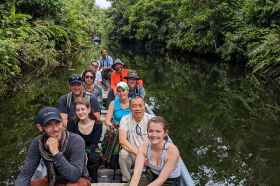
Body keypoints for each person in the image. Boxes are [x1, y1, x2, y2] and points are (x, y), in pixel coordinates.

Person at [14, 107, 90, 186]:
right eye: (49, 125)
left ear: (62, 121)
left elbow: (74, 177)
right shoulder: (38, 143)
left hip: (78, 180)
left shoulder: (76, 140)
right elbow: (25, 174)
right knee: (32, 184)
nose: (55, 129)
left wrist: (56, 153)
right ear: (40, 127)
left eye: (57, 123)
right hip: (52, 180)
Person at [124, 116, 181, 186]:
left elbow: (160, 180)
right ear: (147, 131)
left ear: (165, 133)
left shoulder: (172, 151)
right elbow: (137, 173)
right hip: (151, 175)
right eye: (151, 131)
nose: (154, 135)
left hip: (168, 181)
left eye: (158, 131)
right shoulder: (143, 147)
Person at [118, 96, 154, 183]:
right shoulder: (125, 119)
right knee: (123, 153)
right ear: (130, 108)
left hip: (148, 154)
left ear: (144, 107)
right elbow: (122, 140)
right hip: (133, 152)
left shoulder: (151, 119)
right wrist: (139, 154)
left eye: (140, 105)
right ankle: (126, 179)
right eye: (134, 106)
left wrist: (147, 156)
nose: (137, 109)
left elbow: (157, 141)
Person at [67, 97, 103, 183]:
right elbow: (71, 142)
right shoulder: (71, 123)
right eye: (78, 110)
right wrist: (81, 153)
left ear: (89, 109)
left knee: (93, 158)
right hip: (75, 151)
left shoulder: (97, 124)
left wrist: (86, 152)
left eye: (83, 109)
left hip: (92, 150)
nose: (80, 112)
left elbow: (94, 143)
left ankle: (93, 179)